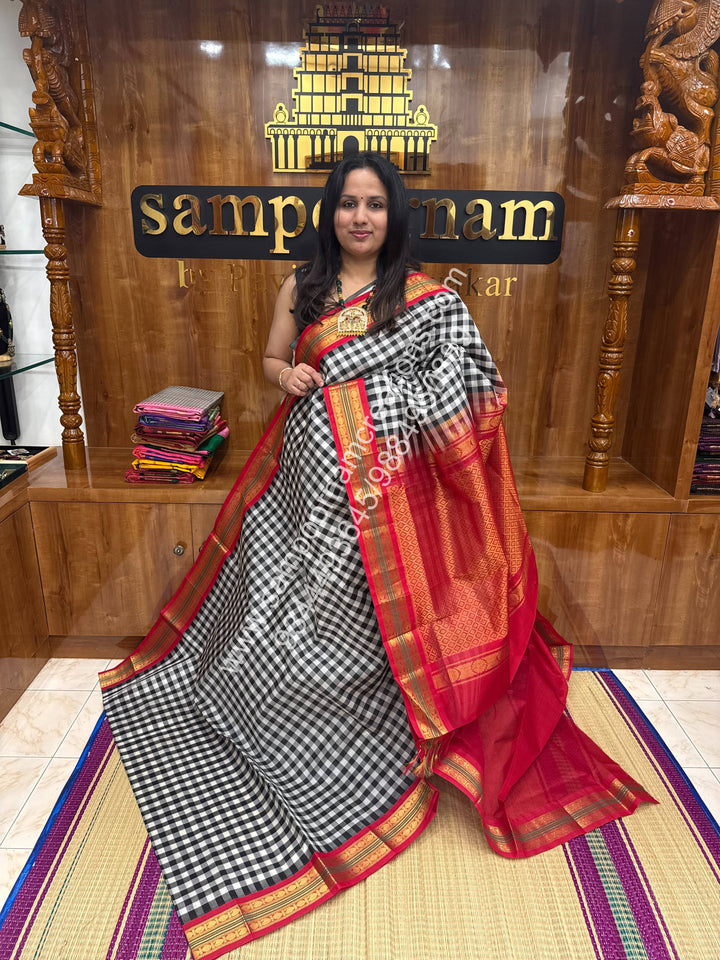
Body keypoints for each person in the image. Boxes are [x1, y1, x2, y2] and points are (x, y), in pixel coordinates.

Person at [100, 152, 655, 960]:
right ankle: (297, 720)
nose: (360, 217)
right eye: (348, 204)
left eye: (375, 204)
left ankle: (396, 734)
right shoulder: (303, 287)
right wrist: (287, 375)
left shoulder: (426, 300)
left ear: (394, 217)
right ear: (330, 214)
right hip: (311, 486)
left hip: (399, 497)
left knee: (377, 611)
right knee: (296, 607)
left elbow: (478, 393)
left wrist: (378, 398)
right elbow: (270, 361)